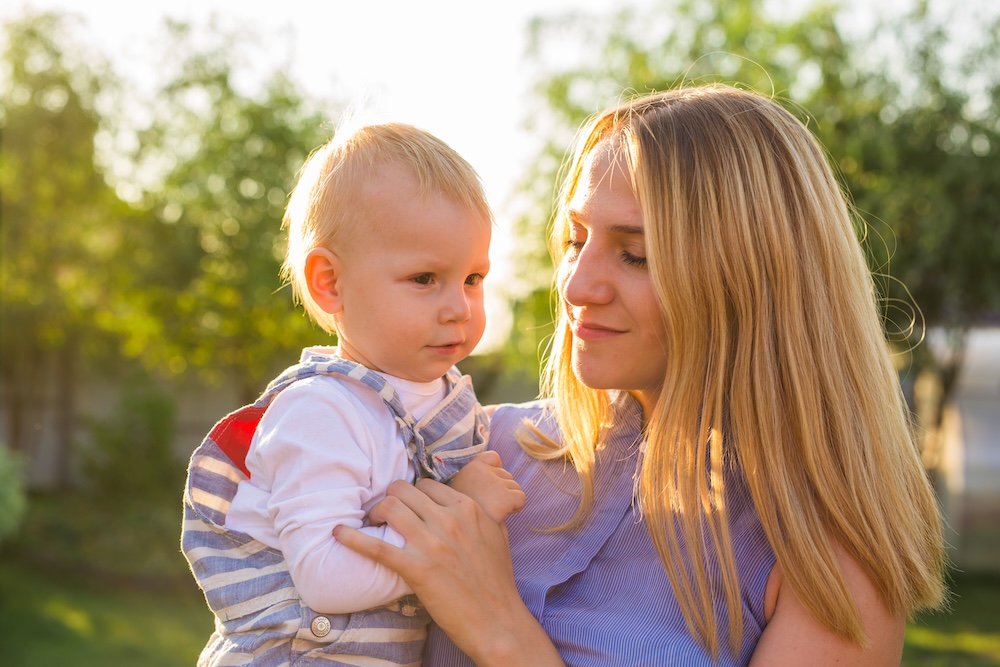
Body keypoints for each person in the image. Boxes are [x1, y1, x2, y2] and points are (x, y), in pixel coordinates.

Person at [334, 85, 948, 666]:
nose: (576, 286)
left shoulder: (829, 563)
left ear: (752, 281)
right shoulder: (473, 448)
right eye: (575, 240)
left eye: (636, 255)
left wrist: (502, 633)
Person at [180, 122, 525, 667]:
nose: (459, 306)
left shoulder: (445, 402)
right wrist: (465, 514)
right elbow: (326, 578)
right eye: (424, 278)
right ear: (330, 282)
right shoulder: (322, 411)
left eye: (474, 278)